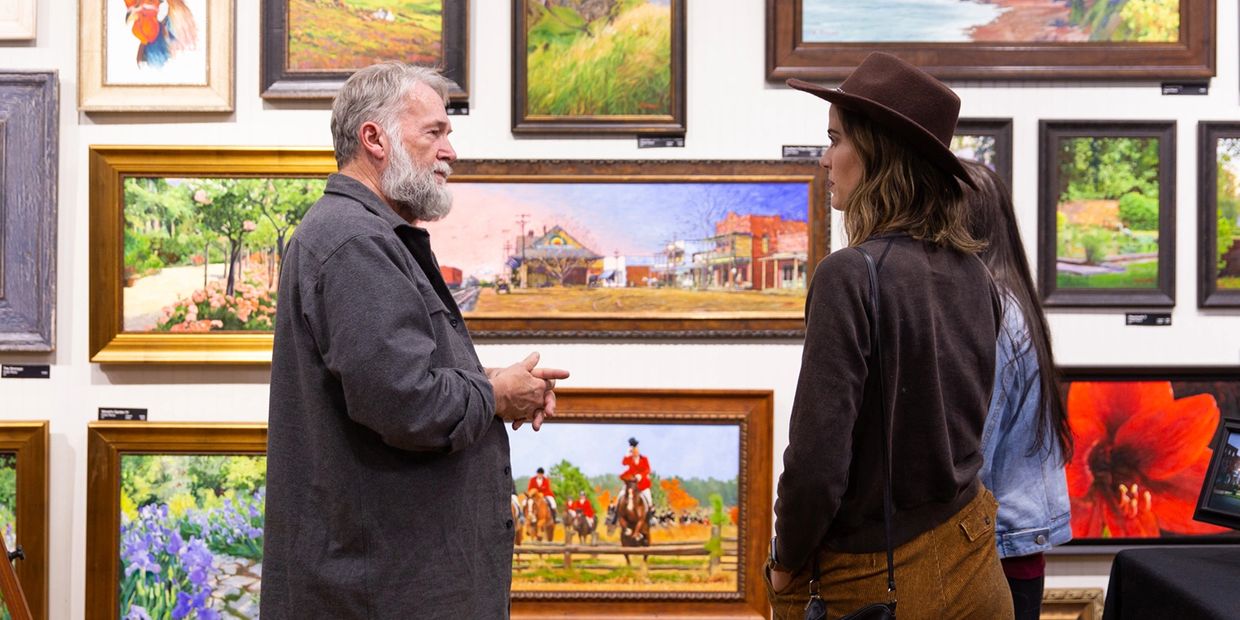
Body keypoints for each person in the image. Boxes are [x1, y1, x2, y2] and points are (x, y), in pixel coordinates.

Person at [263, 62, 569, 618]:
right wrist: (497, 395)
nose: (450, 150)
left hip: (389, 585)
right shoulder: (355, 241)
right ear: (374, 138)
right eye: (435, 131)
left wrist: (491, 383)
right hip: (381, 594)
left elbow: (402, 380)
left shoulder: (366, 235)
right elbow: (407, 402)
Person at [768, 52, 1013, 619]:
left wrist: (785, 562)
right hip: (976, 563)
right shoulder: (974, 273)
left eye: (835, 140)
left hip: (880, 584)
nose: (826, 160)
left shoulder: (849, 274)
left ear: (878, 154)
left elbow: (817, 464)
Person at [963, 159, 1073, 620]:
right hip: (1012, 547)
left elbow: (973, 452)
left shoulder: (996, 313)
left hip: (997, 552)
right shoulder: (1012, 299)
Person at [614, 437, 653, 520]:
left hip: (642, 484)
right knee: (620, 496)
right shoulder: (629, 459)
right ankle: (615, 516)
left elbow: (648, 470)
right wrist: (627, 452)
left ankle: (649, 518)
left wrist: (641, 475)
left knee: (649, 500)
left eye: (636, 451)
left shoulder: (644, 459)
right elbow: (623, 463)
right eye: (633, 451)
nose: (635, 453)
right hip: (631, 484)